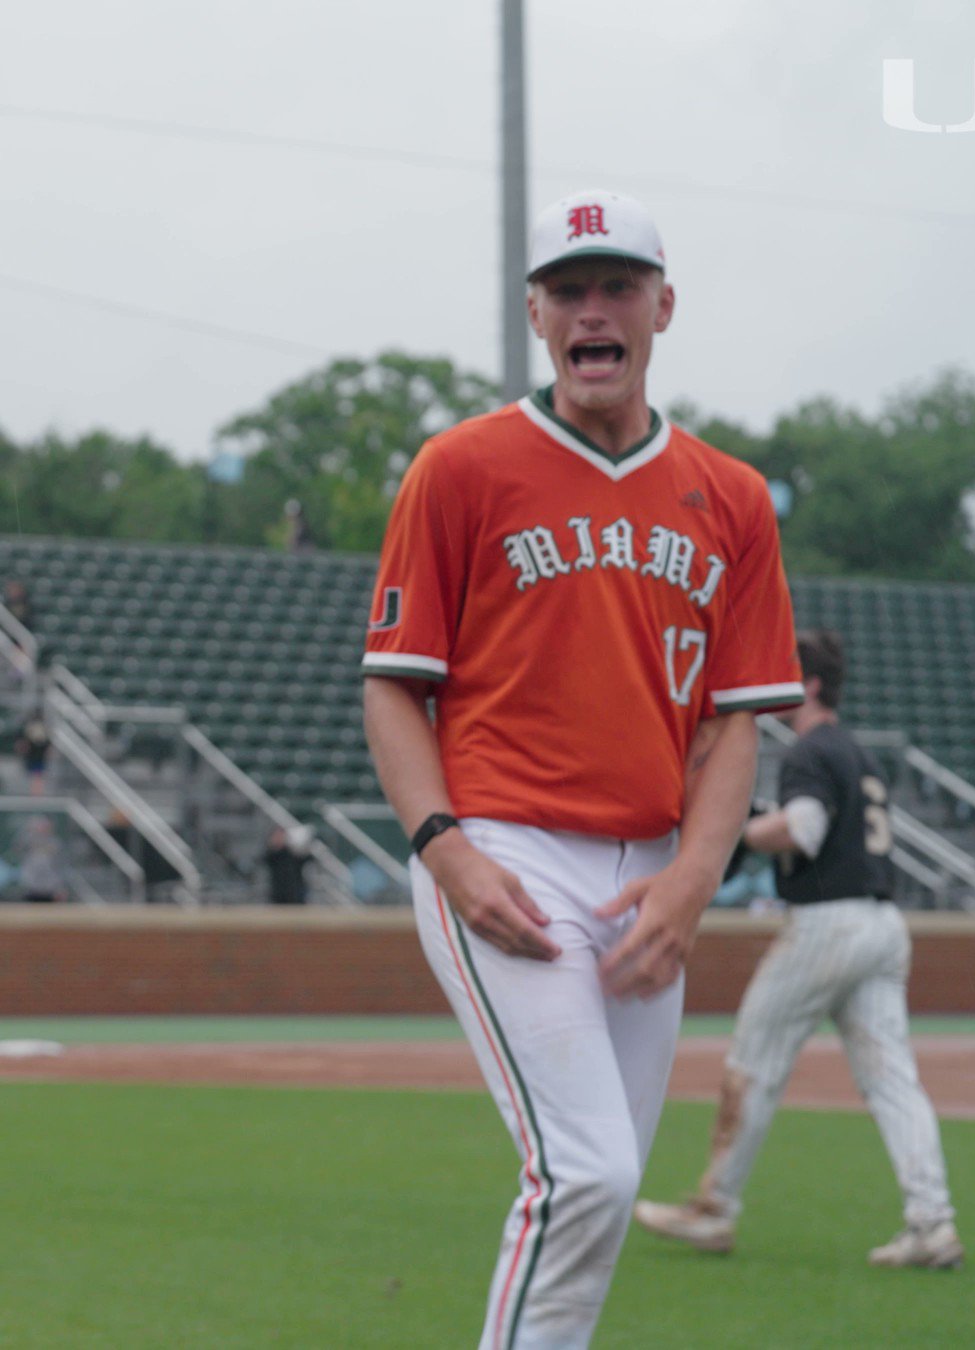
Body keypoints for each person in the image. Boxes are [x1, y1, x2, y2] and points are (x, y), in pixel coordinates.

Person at [362, 188, 804, 1348]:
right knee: (593, 1173)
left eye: (615, 286)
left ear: (664, 306)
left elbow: (734, 724)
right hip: (505, 848)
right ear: (535, 316)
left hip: (652, 869)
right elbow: (393, 686)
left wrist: (695, 878)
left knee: (595, 1196)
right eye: (568, 290)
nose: (591, 309)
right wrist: (446, 851)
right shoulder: (461, 467)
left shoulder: (733, 498)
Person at [634, 629, 964, 1270]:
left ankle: (715, 1209)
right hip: (882, 925)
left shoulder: (808, 751)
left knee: (752, 1061)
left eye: (790, 675)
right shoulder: (858, 753)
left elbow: (804, 829)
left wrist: (738, 832)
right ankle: (933, 1223)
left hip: (826, 927)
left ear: (809, 685)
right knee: (894, 1081)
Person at [263, 825, 311, 905]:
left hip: (295, 893)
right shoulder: (272, 854)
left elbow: (306, 858)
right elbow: (266, 859)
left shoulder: (292, 853)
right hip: (278, 893)